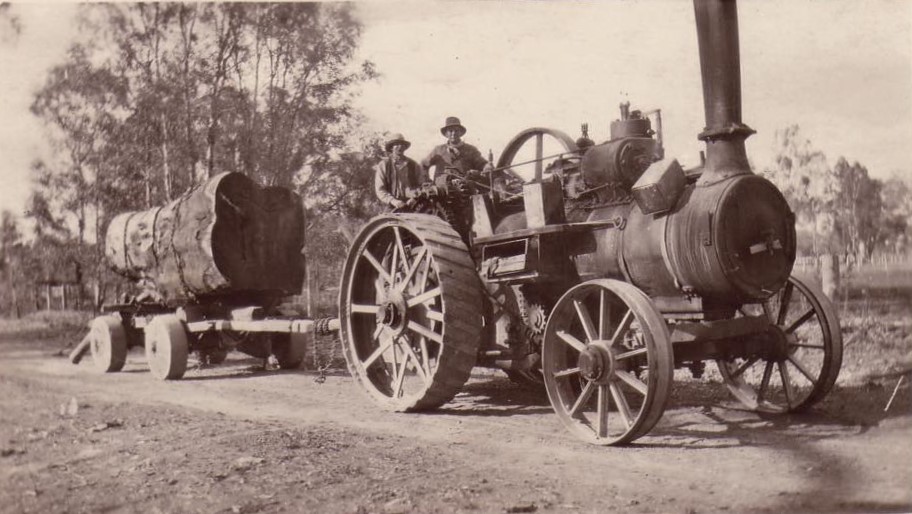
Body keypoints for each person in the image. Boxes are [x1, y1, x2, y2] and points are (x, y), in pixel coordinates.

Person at [421, 116, 493, 183]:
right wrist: (427, 182)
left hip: (465, 191)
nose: (453, 133)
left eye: (456, 130)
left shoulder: (471, 150)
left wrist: (487, 167)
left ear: (461, 132)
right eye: (450, 131)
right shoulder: (438, 150)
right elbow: (423, 165)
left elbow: (482, 164)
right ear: (446, 133)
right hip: (441, 193)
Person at [374, 133, 428, 210]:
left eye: (402, 144)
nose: (400, 147)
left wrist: (415, 198)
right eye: (396, 144)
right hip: (391, 206)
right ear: (391, 147)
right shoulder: (384, 165)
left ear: (405, 147)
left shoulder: (414, 165)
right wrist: (393, 201)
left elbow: (422, 185)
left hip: (413, 205)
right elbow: (380, 189)